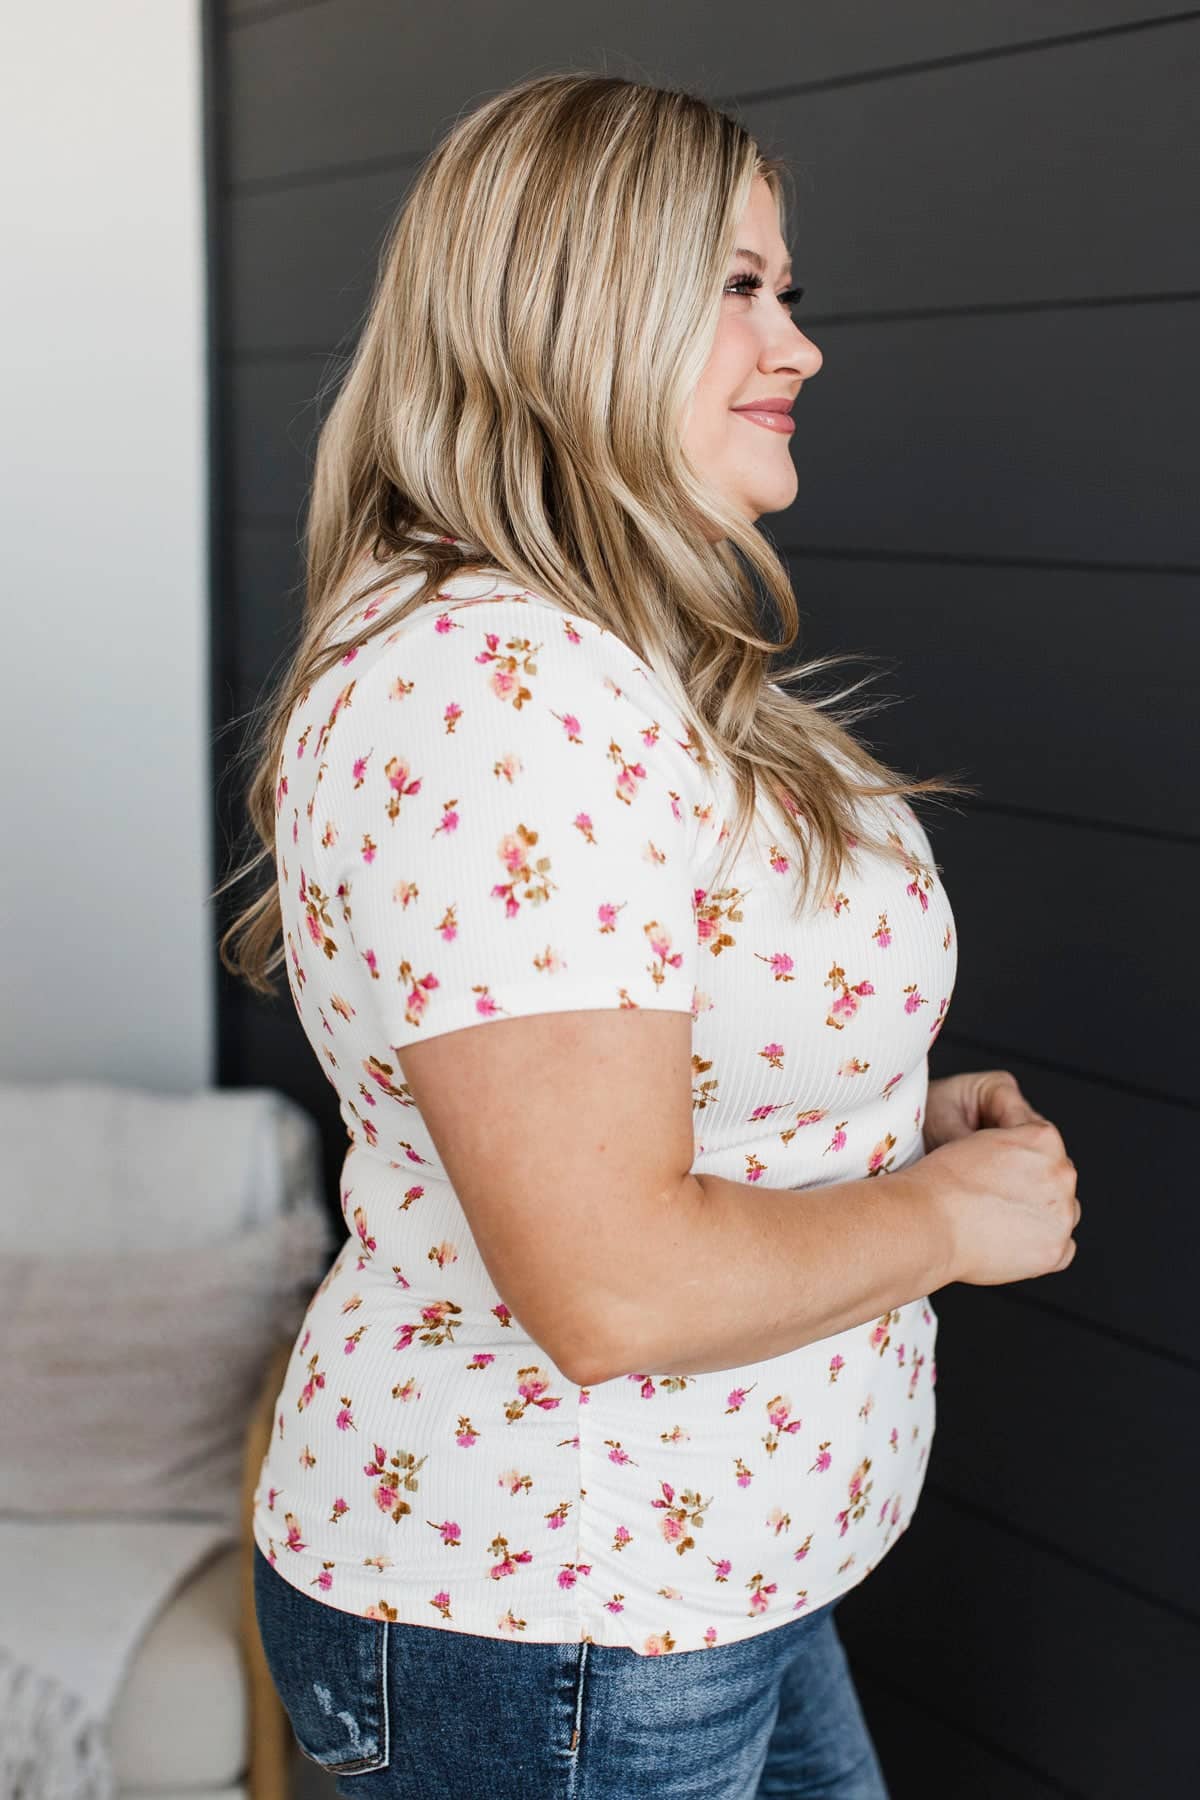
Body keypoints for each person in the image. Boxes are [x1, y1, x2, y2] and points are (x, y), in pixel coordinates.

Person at [217, 70, 1081, 1800]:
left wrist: (861, 1129)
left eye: (789, 290)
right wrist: (940, 1222)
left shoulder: (590, 654)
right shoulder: (501, 689)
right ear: (575, 307)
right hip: (563, 1622)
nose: (798, 345)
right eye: (740, 285)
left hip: (703, 1580)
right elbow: (613, 1286)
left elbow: (609, 1089)